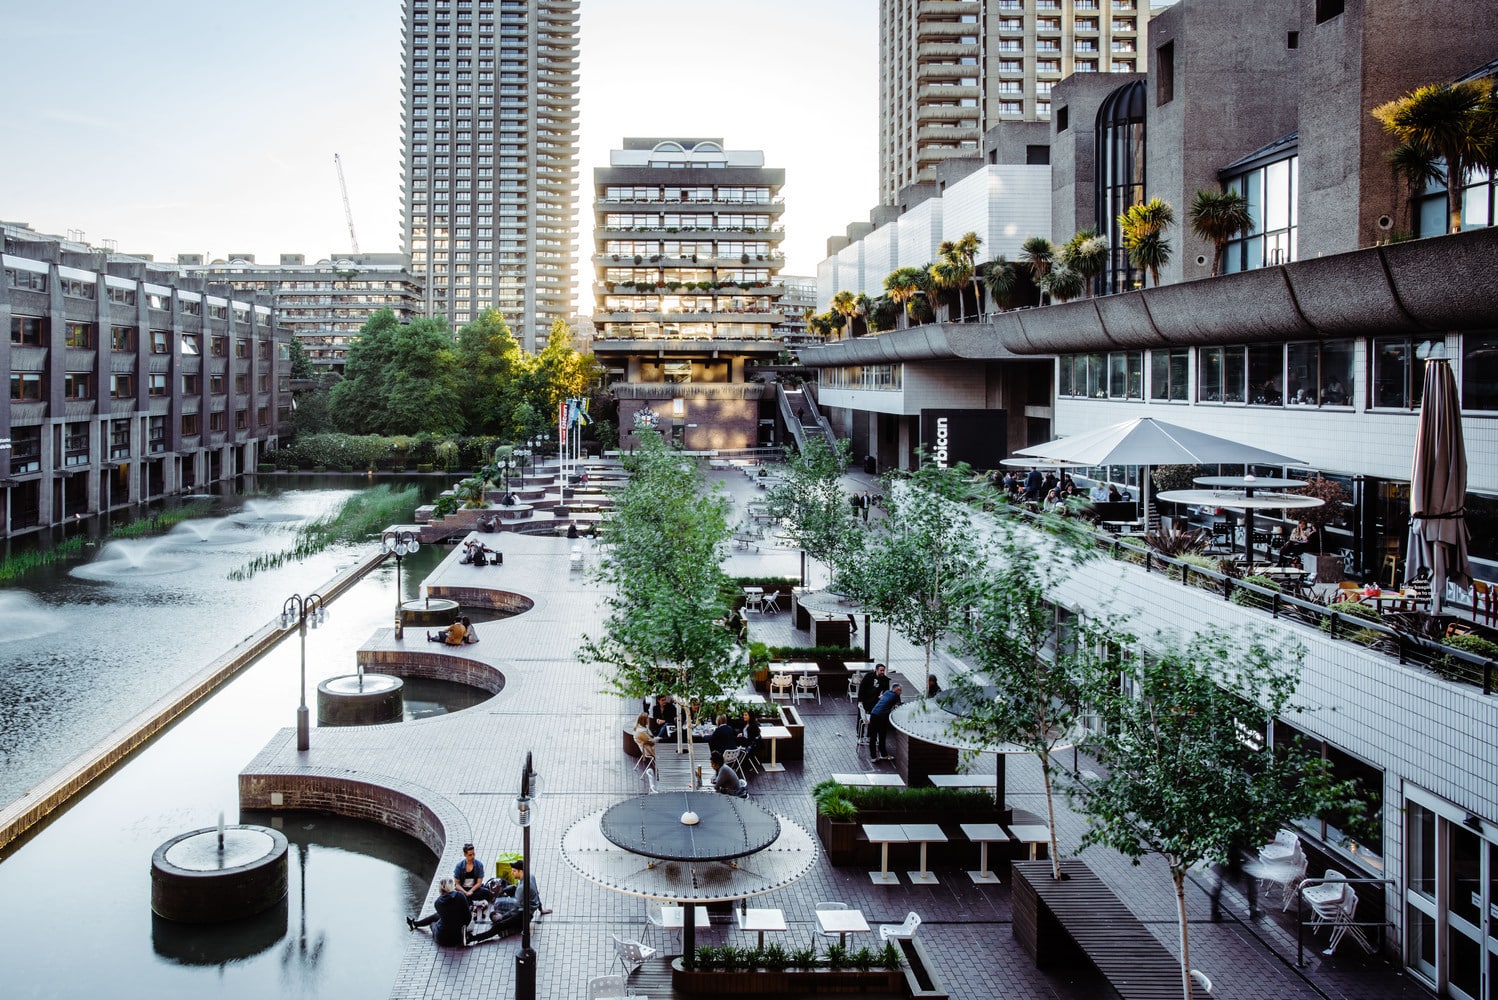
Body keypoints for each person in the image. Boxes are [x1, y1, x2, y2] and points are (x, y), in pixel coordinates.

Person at [468, 863, 551, 942]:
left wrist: (503, 916)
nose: (512, 873)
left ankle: (473, 938)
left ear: (521, 871)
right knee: (494, 915)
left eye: (514, 871)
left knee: (498, 926)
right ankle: (510, 928)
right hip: (525, 910)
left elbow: (516, 909)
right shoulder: (531, 876)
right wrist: (541, 909)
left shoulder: (521, 888)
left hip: (523, 915)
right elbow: (536, 893)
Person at [407, 877, 471, 946]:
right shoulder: (460, 896)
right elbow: (468, 917)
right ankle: (414, 924)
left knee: (432, 923)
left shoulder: (437, 903)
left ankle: (414, 924)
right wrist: (462, 926)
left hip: (442, 938)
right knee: (438, 917)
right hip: (458, 937)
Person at [453, 843, 495, 908]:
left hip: (474, 889)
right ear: (465, 855)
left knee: (486, 892)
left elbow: (479, 883)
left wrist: (471, 891)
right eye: (470, 855)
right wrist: (465, 892)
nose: (472, 856)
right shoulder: (459, 866)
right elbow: (457, 884)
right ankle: (473, 902)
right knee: (456, 895)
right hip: (463, 889)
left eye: (473, 854)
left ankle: (469, 901)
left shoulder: (479, 865)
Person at [868, 684, 902, 761]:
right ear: (897, 690)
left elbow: (881, 697)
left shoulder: (886, 692)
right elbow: (898, 707)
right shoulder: (896, 696)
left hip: (873, 714)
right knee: (882, 735)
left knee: (873, 737)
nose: (901, 693)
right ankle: (884, 754)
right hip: (881, 717)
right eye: (900, 691)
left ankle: (873, 757)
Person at [857, 663, 890, 740]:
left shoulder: (885, 679)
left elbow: (886, 691)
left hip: (875, 701)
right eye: (881, 670)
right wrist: (860, 701)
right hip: (865, 700)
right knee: (861, 717)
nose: (882, 672)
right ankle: (860, 734)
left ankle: (870, 735)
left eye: (883, 670)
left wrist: (883, 696)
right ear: (876, 670)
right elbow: (862, 688)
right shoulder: (869, 676)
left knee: (873, 718)